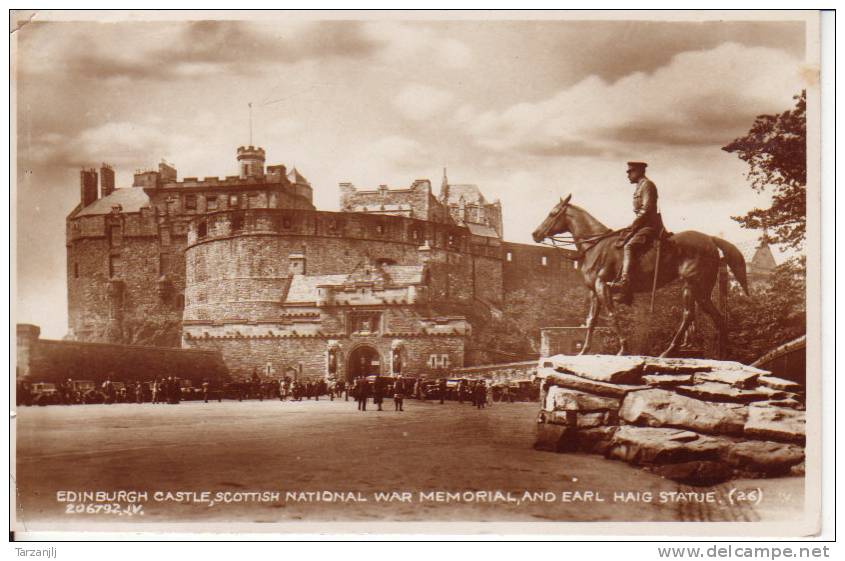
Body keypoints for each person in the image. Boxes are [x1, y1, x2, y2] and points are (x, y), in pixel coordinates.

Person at [607, 161, 664, 301]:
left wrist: (632, 225)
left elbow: (646, 209)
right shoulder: (639, 187)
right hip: (641, 225)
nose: (628, 174)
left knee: (629, 246)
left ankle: (624, 283)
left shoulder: (647, 185)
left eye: (630, 171)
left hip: (650, 226)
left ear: (639, 171)